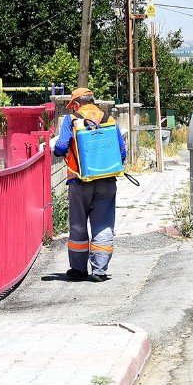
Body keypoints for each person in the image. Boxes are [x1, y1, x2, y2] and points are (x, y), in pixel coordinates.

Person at [52, 88, 127, 282]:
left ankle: (78, 269)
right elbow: (122, 152)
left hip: (79, 181)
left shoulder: (72, 120)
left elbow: (61, 146)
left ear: (76, 104)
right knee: (103, 224)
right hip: (107, 181)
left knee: (78, 224)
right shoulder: (109, 119)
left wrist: (60, 152)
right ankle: (100, 270)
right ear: (92, 101)